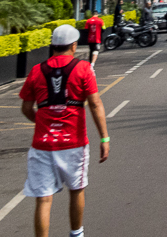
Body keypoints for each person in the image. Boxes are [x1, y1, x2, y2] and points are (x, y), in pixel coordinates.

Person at [19, 25, 109, 237]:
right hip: (74, 144)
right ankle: (76, 233)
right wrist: (104, 138)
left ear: (53, 46)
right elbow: (95, 104)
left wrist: (41, 122)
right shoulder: (83, 68)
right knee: (76, 189)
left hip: (42, 145)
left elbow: (25, 108)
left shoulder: (36, 71)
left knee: (44, 198)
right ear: (74, 45)